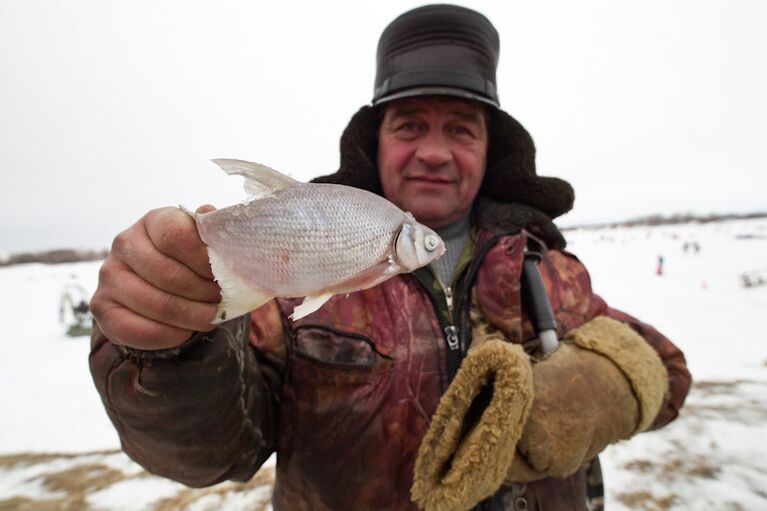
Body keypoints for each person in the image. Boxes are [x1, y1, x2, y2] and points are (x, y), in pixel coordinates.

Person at [89, 5, 691, 510]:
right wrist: (166, 346)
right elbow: (210, 454)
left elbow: (668, 372)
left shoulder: (548, 268)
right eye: (408, 126)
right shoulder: (293, 275)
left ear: (491, 150)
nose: (434, 151)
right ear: (373, 143)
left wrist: (605, 386)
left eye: (461, 129)